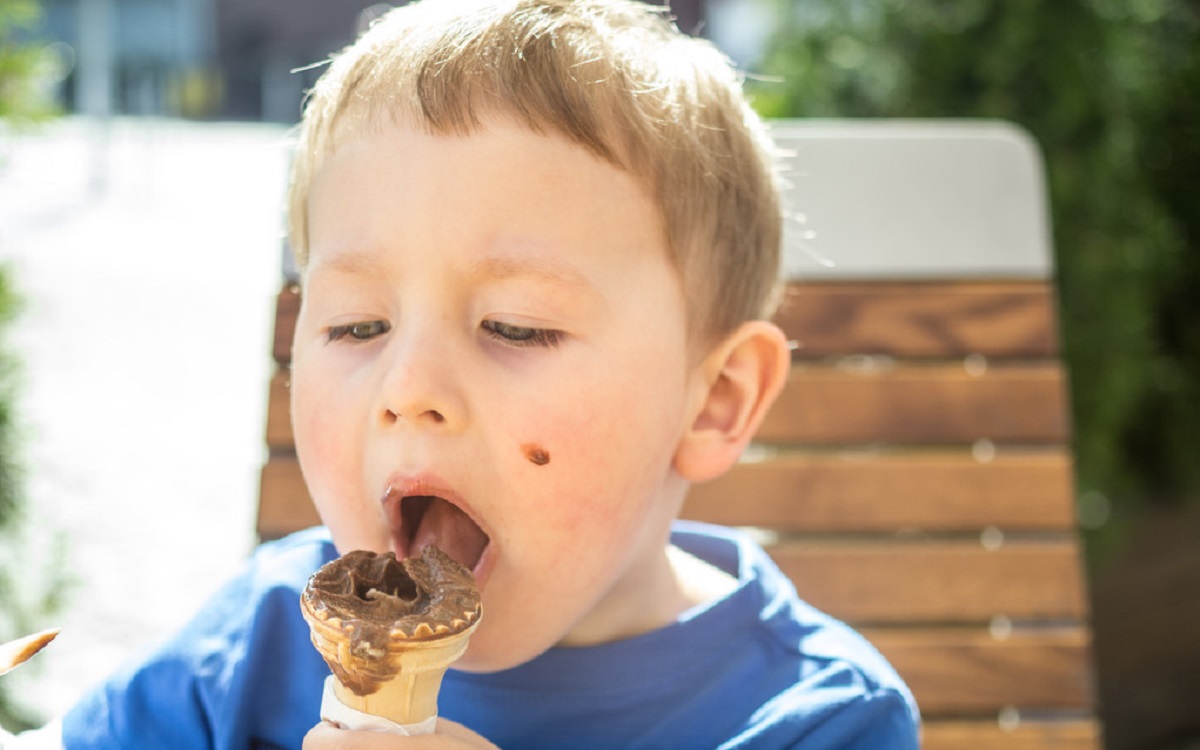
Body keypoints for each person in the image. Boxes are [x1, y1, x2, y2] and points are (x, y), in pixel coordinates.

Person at [34, 0, 920, 747]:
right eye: (356, 324)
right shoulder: (252, 646)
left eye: (517, 327)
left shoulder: (819, 718)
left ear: (714, 401)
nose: (408, 387)